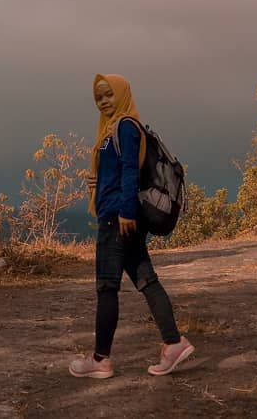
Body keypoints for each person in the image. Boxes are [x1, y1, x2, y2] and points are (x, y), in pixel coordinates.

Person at [68, 73, 194, 379]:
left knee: (107, 287)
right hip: (122, 215)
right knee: (146, 281)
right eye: (98, 97)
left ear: (122, 93)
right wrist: (98, 183)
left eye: (108, 94)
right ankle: (174, 343)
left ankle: (100, 360)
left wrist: (123, 211)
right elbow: (117, 170)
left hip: (118, 218)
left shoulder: (125, 125)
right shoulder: (111, 130)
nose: (104, 101)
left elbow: (129, 172)